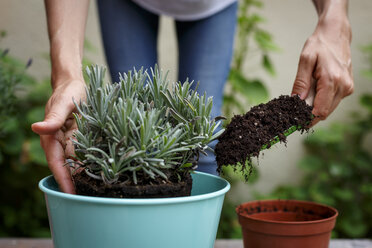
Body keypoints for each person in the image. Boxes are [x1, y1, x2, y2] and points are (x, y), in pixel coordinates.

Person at [32, 0, 354, 194]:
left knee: (205, 145)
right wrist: (66, 76)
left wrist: (334, 20)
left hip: (211, 5)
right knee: (128, 132)